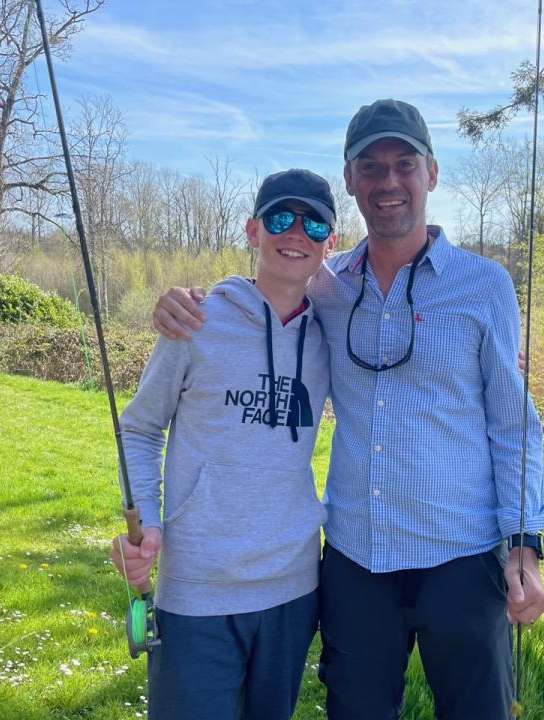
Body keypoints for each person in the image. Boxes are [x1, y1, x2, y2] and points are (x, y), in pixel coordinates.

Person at [153, 99, 544, 720]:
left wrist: (524, 546)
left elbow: (513, 425)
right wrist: (182, 304)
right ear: (350, 180)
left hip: (461, 552)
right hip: (356, 558)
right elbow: (265, 291)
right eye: (370, 166)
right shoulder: (329, 286)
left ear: (431, 173)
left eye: (404, 164)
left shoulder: (486, 286)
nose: (388, 181)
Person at [110, 168, 337, 720]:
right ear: (252, 231)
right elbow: (139, 427)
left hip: (293, 589)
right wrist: (150, 522)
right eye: (281, 217)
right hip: (197, 589)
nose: (296, 233)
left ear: (331, 243)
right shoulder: (196, 319)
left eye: (315, 224)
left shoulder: (334, 332)